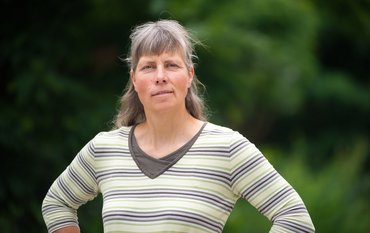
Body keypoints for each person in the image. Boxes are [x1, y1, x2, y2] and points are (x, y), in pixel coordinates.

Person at [42, 19, 315, 233]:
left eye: (171, 65)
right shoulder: (104, 149)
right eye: (149, 67)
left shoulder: (227, 148)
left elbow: (294, 219)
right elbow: (57, 203)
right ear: (134, 80)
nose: (160, 77)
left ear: (189, 75)